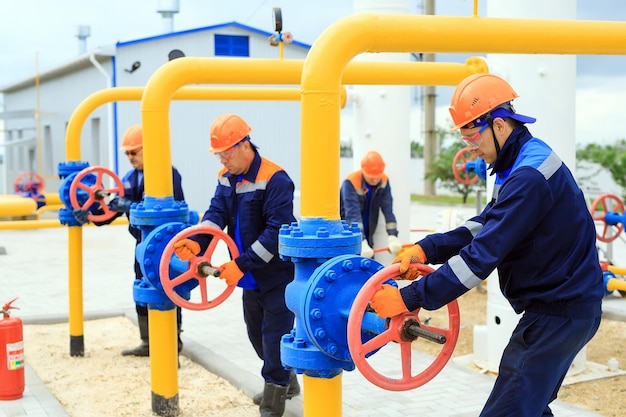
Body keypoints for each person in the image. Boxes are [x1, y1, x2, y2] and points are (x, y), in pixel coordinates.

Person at [370, 73, 604, 417]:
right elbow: (485, 225)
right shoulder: (516, 164)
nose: (472, 150)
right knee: (529, 408)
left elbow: (480, 258)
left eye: (472, 138)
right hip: (563, 308)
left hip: (560, 313)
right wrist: (428, 248)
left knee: (507, 411)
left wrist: (408, 298)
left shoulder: (528, 178)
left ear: (499, 125)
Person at [172, 113, 299, 417]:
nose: (222, 160)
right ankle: (286, 381)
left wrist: (241, 263)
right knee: (256, 335)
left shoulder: (275, 178)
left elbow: (276, 232)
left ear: (245, 145)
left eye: (225, 153)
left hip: (276, 276)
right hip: (249, 277)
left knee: (274, 337)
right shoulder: (226, 177)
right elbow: (216, 214)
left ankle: (273, 403)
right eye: (218, 154)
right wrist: (197, 244)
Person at [73, 124, 186, 357]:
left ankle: (172, 342)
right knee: (142, 287)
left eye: (134, 152)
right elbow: (110, 210)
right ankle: (147, 342)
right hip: (142, 246)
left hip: (166, 246)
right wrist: (90, 214)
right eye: (127, 153)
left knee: (166, 288)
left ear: (150, 149)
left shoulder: (166, 174)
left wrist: (129, 206)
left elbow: (166, 213)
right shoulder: (129, 178)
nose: (130, 157)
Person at [340, 150, 402, 258]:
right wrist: (360, 240)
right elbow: (352, 214)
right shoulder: (351, 182)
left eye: (377, 175)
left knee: (368, 267)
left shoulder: (384, 181)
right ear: (363, 170)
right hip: (348, 233)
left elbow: (388, 209)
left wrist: (393, 235)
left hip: (368, 232)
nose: (375, 179)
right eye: (371, 176)